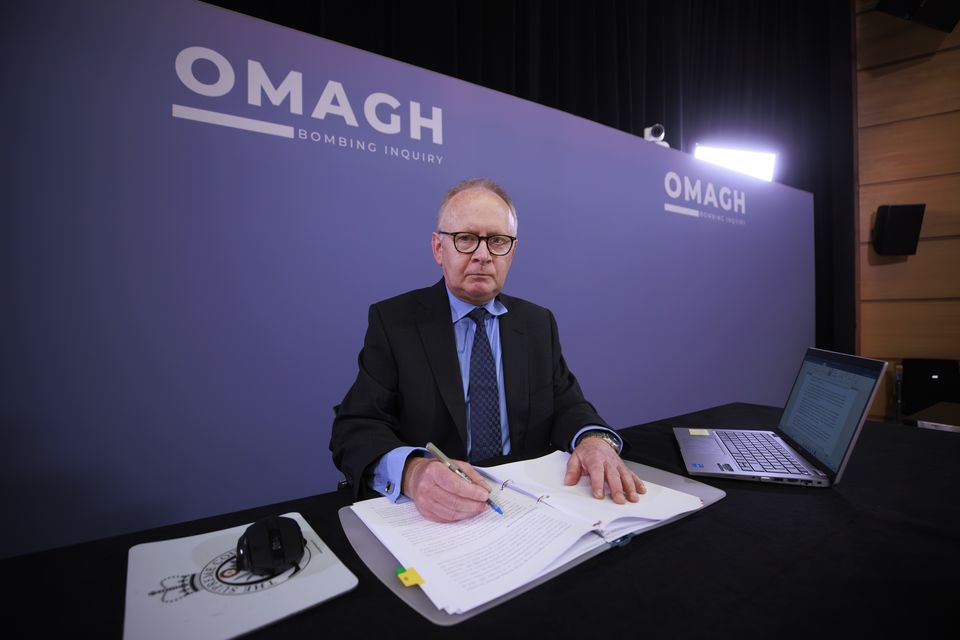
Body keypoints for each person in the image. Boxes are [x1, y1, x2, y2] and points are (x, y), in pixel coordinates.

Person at [330, 178, 644, 522]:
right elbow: (356, 427)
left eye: (497, 241)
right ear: (438, 248)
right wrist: (413, 473)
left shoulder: (538, 323)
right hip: (435, 516)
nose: (483, 255)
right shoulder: (394, 321)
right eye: (466, 238)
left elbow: (568, 405)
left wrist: (594, 440)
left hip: (527, 507)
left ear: (512, 251)